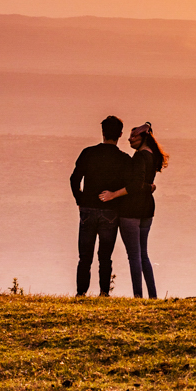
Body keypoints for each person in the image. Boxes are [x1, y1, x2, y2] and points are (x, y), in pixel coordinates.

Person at [99, 122, 166, 298]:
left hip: (131, 210)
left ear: (143, 137)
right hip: (147, 209)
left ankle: (138, 296)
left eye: (133, 136)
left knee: (134, 256)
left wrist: (113, 195)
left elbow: (135, 184)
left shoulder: (139, 157)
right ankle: (152, 295)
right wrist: (149, 187)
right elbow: (144, 184)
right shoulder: (153, 157)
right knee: (143, 255)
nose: (129, 139)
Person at [69, 115, 133, 297]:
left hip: (88, 209)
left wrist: (80, 200)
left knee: (85, 257)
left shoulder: (88, 153)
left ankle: (81, 294)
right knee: (105, 257)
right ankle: (104, 293)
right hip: (110, 211)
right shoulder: (124, 159)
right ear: (120, 134)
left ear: (102, 132)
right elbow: (129, 186)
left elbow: (74, 179)